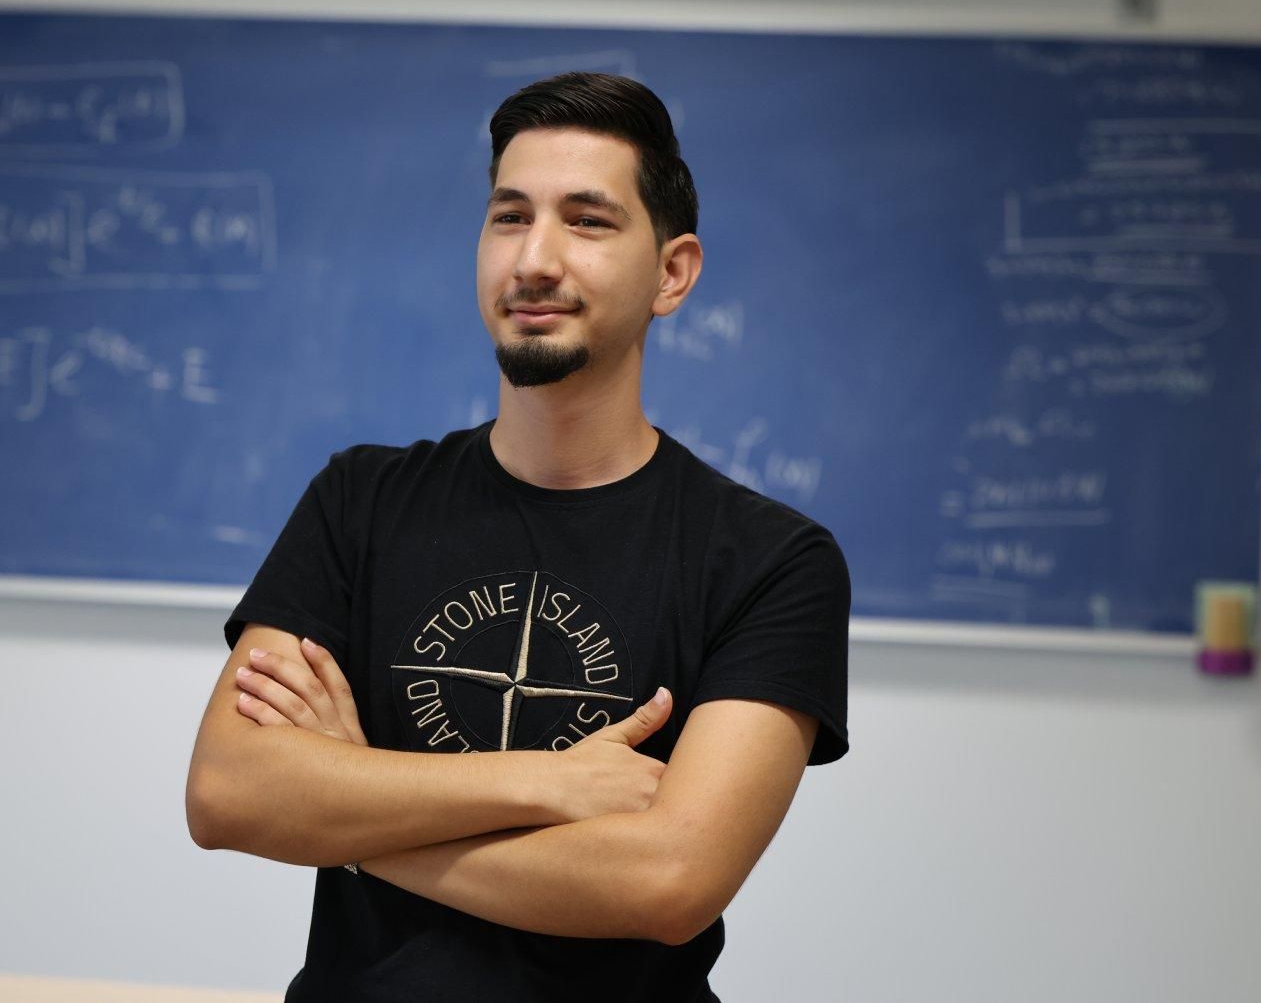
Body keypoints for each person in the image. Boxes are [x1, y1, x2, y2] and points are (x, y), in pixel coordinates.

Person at [185, 71, 850, 1002]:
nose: (534, 259)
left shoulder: (771, 562)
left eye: (586, 221)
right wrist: (547, 785)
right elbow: (228, 794)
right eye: (508, 217)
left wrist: (351, 813)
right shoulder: (361, 500)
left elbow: (668, 884)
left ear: (672, 273)